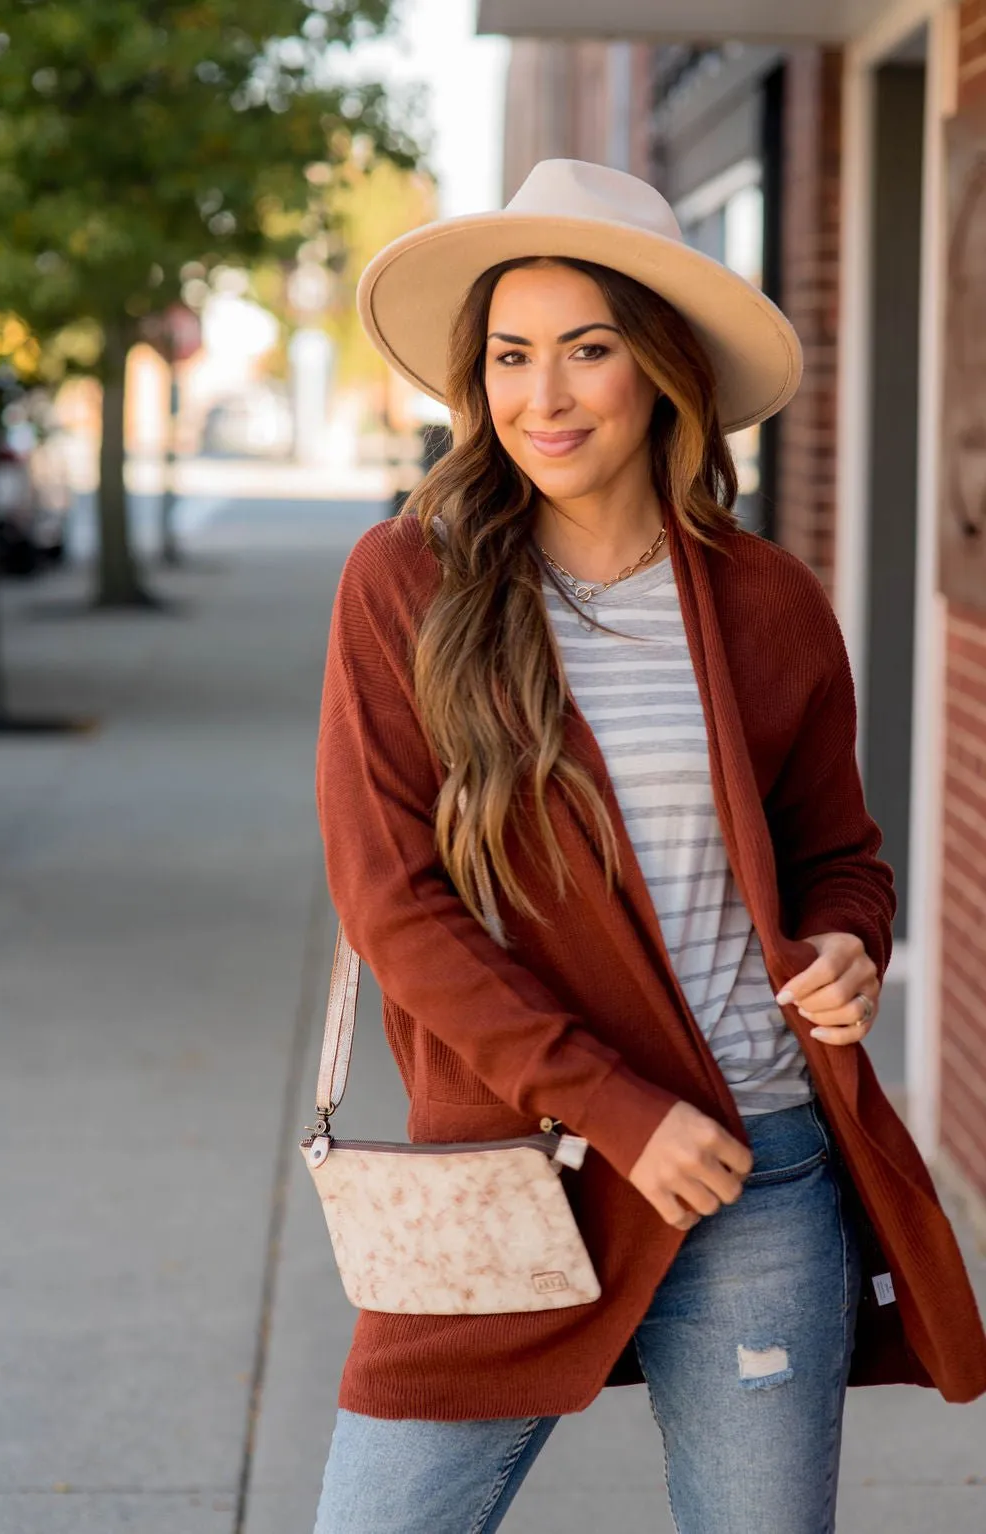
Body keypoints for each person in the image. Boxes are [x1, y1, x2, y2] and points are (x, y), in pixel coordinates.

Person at [311, 159, 986, 1534]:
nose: (540, 396)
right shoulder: (408, 583)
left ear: (661, 368)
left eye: (586, 351)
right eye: (509, 355)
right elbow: (395, 905)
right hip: (515, 1176)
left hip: (756, 1170)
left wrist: (853, 947)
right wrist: (618, 1108)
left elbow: (840, 855)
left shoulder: (767, 600)